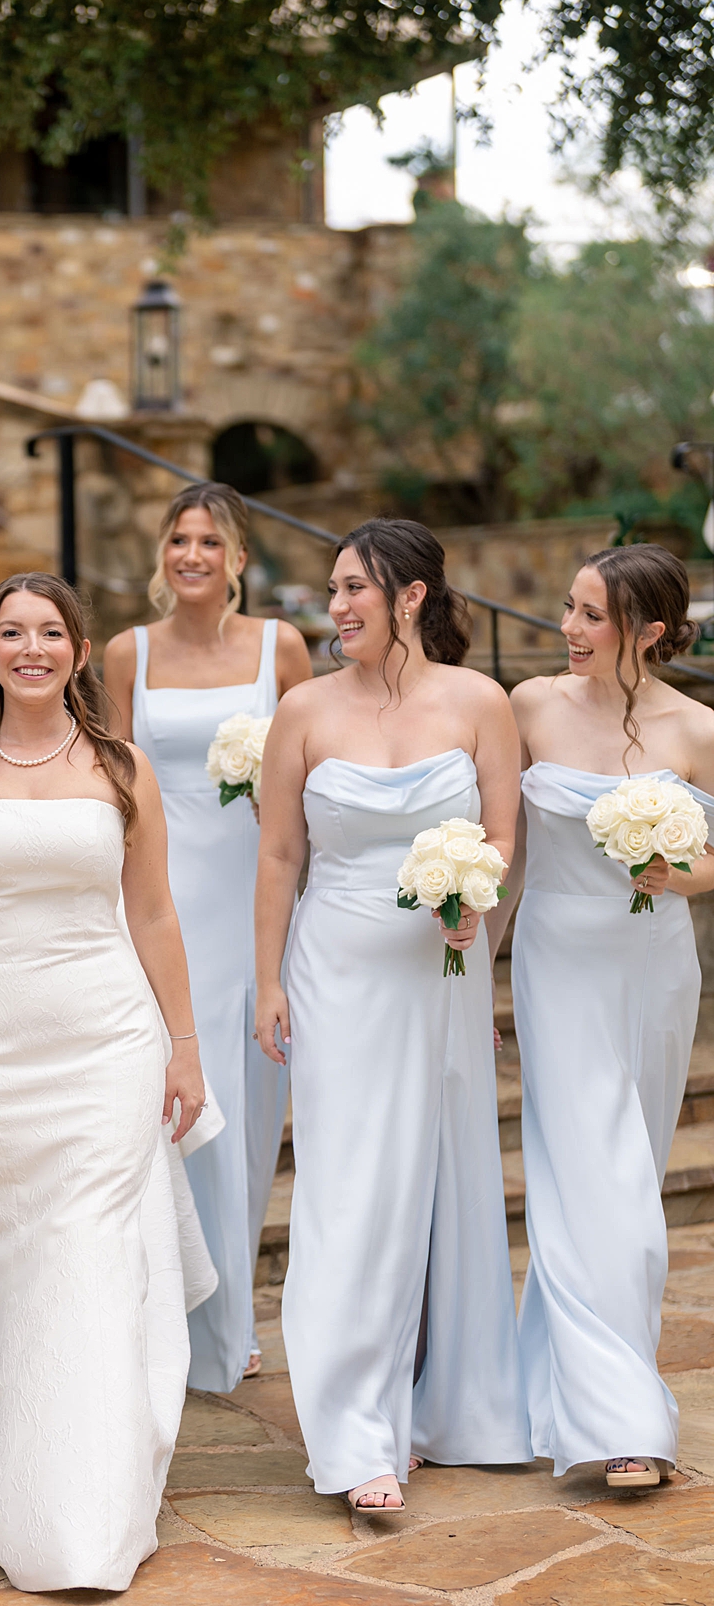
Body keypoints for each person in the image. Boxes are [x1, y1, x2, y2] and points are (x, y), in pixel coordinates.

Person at [0, 572, 209, 1593]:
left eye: (50, 632)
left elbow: (152, 913)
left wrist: (182, 1041)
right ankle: (3, 1456)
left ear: (77, 648)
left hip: (105, 1034)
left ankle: (85, 1501)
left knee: (90, 1243)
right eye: (12, 632)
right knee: (10, 1247)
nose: (31, 648)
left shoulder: (121, 767)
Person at [254, 518, 531, 1512]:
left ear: (409, 596)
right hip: (334, 965)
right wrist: (268, 980)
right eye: (330, 590)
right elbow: (280, 854)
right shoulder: (303, 710)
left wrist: (475, 917)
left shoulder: (480, 702)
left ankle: (452, 1403)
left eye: (351, 589)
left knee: (444, 1174)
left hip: (443, 970)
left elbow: (503, 837)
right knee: (347, 1184)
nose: (333, 608)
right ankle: (353, 1429)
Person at [492, 546, 714, 1489]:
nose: (568, 632)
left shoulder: (699, 728)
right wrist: (478, 964)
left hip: (657, 970)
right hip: (559, 966)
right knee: (598, 1179)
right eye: (569, 611)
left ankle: (562, 1383)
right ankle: (626, 1421)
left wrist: (677, 874)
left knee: (627, 1172)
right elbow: (503, 850)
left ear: (649, 631)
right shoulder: (529, 706)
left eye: (591, 616)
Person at [104, 483, 311, 1389]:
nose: (193, 554)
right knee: (172, 1106)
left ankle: (232, 1319)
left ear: (238, 558)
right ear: (163, 553)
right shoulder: (125, 653)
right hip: (160, 892)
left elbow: (319, 760)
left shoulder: (283, 646)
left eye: (210, 541)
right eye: (179, 538)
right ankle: (178, 1316)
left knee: (248, 1110)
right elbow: (106, 778)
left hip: (255, 894)